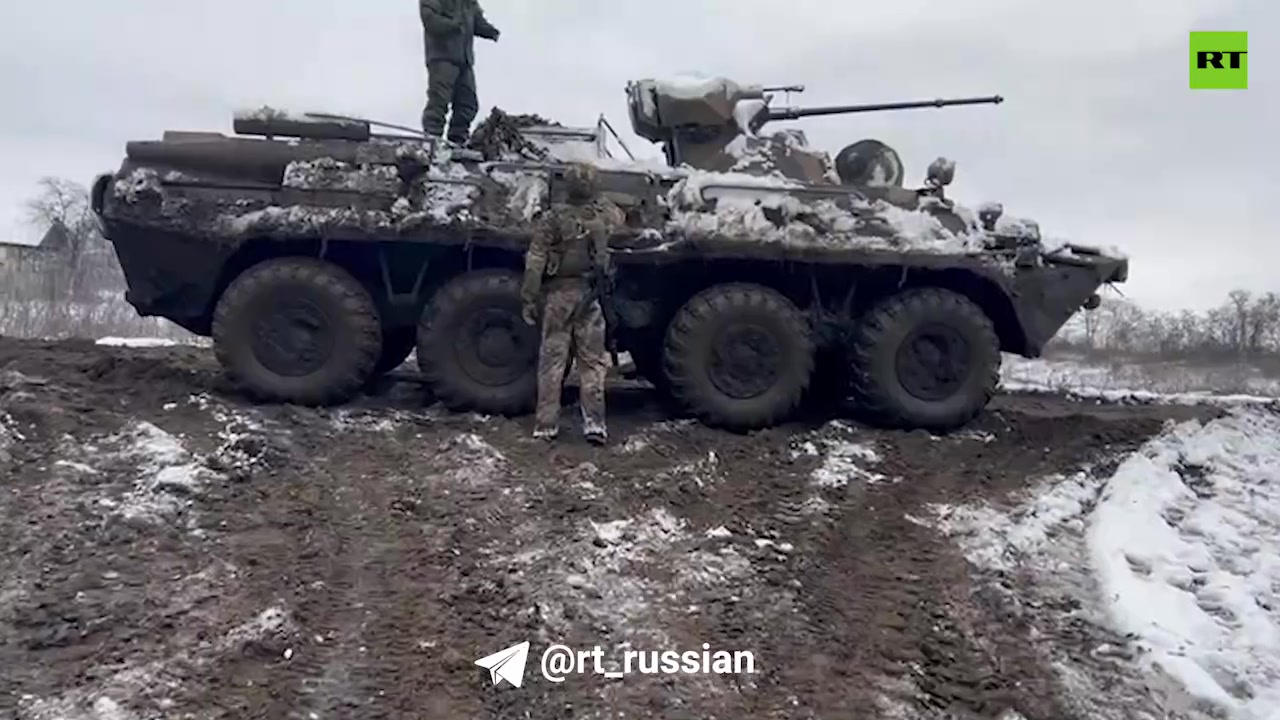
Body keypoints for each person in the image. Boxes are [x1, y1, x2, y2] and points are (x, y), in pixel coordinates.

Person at [520, 163, 625, 445]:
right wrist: (597, 202)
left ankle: (546, 426)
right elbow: (621, 217)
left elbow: (535, 262)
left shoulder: (552, 219)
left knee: (552, 361)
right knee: (592, 364)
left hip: (559, 296)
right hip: (591, 295)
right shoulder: (603, 216)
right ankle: (595, 426)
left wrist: (529, 298)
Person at [419, 0, 500, 144]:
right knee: (439, 100)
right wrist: (453, 25)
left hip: (464, 60)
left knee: (468, 103)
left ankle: (457, 141)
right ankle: (432, 139)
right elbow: (430, 20)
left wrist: (490, 31)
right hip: (443, 57)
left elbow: (476, 20)